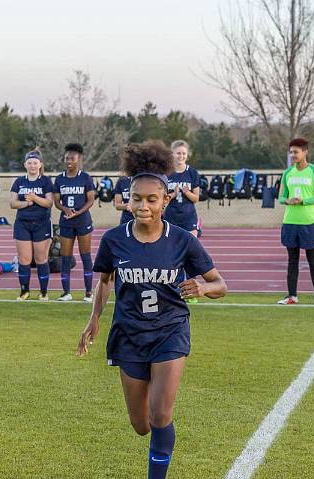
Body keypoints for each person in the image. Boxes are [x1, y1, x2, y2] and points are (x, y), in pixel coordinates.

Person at [76, 140, 227, 479]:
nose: (143, 205)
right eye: (136, 199)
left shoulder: (183, 240)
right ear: (128, 201)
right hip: (128, 334)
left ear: (166, 201)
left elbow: (221, 284)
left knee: (160, 416)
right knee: (141, 425)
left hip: (169, 332)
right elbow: (104, 282)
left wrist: (202, 288)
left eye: (151, 199)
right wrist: (93, 322)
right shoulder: (114, 240)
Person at [277, 137, 314, 305]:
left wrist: (304, 201)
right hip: (290, 222)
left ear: (305, 152)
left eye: (296, 152)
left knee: (313, 260)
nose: (293, 155)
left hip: (309, 222)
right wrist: (287, 201)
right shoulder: (287, 173)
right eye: (291, 152)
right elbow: (281, 197)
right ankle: (292, 296)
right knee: (292, 260)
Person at [54, 143, 96, 302]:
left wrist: (78, 212)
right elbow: (56, 202)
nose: (69, 161)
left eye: (72, 158)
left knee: (85, 256)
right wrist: (65, 209)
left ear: (78, 160)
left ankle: (88, 293)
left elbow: (91, 200)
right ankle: (66, 293)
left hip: (82, 221)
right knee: (65, 257)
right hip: (66, 222)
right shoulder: (59, 178)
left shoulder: (85, 177)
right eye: (66, 158)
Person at [10, 149, 54, 301]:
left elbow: (49, 202)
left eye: (35, 163)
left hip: (41, 223)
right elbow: (12, 203)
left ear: (40, 164)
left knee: (41, 258)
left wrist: (35, 198)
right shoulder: (19, 181)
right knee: (24, 259)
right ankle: (24, 291)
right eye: (29, 163)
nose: (32, 166)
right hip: (23, 223)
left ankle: (43, 292)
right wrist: (26, 203)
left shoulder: (46, 181)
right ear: (25, 165)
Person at [164, 140, 200, 236]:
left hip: (188, 216)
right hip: (170, 216)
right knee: (170, 246)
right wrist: (173, 194)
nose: (181, 156)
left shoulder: (192, 173)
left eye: (184, 153)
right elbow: (161, 199)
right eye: (178, 153)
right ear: (172, 154)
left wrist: (187, 192)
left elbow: (196, 199)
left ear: (187, 155)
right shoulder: (166, 173)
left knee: (192, 247)